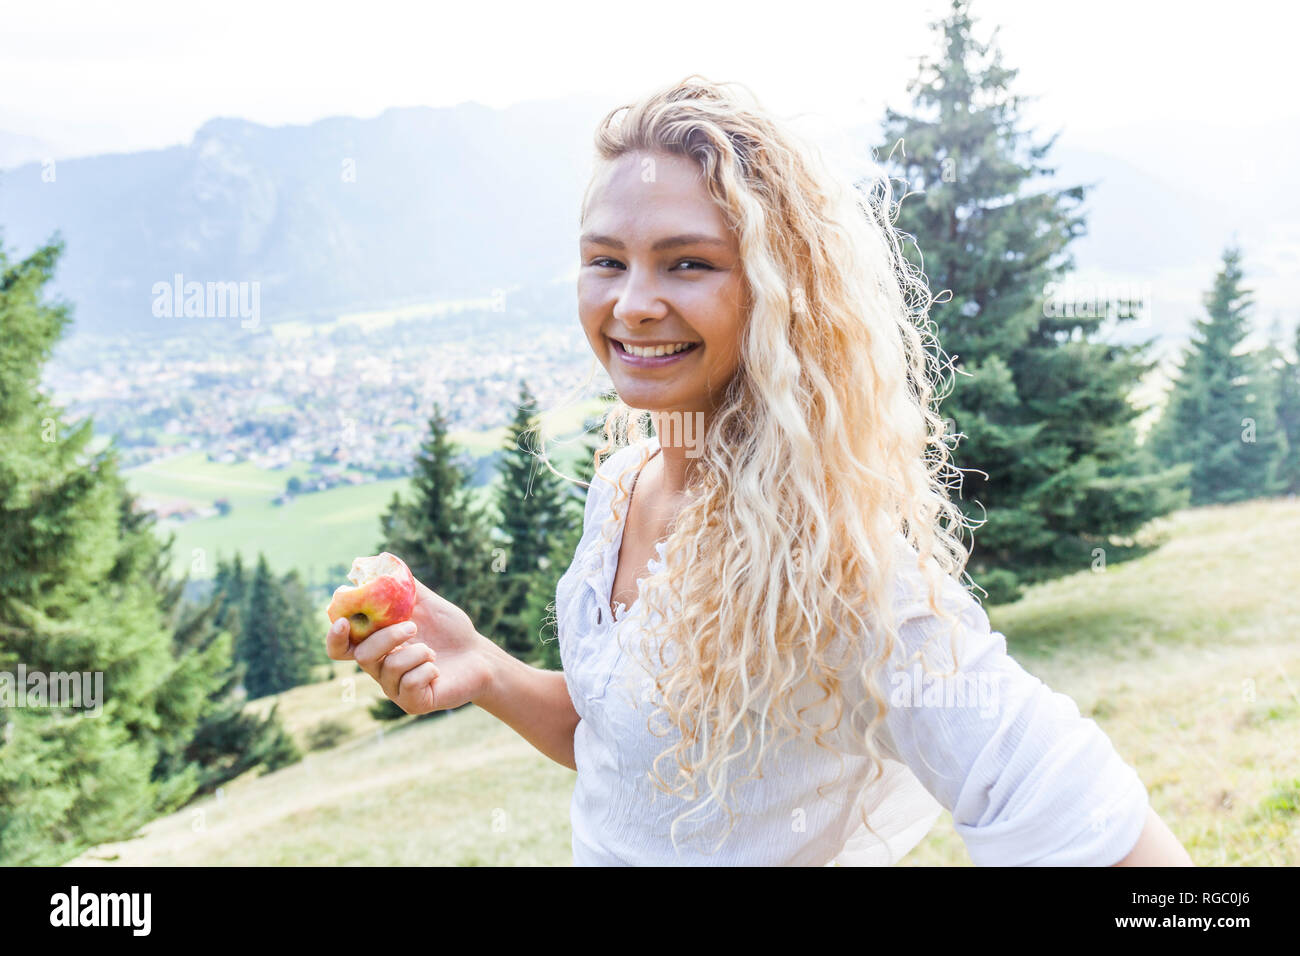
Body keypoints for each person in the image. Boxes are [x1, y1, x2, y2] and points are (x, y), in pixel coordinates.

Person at [325, 76, 1192, 867]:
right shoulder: (622, 487)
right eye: (605, 260)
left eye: (688, 262)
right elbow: (632, 756)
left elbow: (1091, 821)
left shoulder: (833, 559)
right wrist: (483, 665)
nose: (631, 303)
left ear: (781, 290)